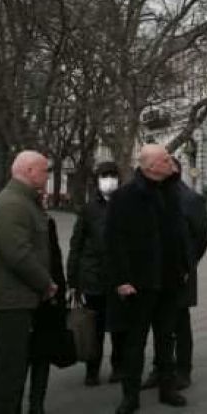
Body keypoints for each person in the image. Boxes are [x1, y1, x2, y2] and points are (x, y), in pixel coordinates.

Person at [105, 145, 192, 414]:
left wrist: (184, 266)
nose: (171, 163)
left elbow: (181, 233)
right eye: (166, 160)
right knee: (135, 342)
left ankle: (168, 388)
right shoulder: (125, 197)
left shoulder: (171, 193)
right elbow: (113, 241)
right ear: (150, 166)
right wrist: (121, 279)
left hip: (169, 280)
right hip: (139, 283)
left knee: (166, 339)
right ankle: (130, 396)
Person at [0, 151, 58, 414]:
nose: (47, 175)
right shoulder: (14, 204)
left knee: (13, 367)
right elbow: (17, 254)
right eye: (44, 170)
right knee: (9, 371)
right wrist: (45, 284)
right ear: (28, 171)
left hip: (21, 298)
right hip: (13, 301)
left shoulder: (24, 201)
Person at [140, 157, 207, 391]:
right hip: (154, 271)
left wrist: (188, 263)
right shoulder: (153, 196)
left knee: (180, 322)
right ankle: (160, 368)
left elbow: (203, 236)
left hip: (180, 272)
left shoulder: (190, 199)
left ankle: (182, 370)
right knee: (158, 323)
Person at [68, 160, 125, 385]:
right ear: (97, 180)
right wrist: (73, 280)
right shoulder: (89, 209)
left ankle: (118, 367)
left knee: (120, 327)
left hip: (120, 278)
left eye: (112, 175)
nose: (108, 180)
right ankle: (92, 370)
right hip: (94, 278)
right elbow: (77, 244)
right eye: (104, 176)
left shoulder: (126, 205)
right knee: (95, 328)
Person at [23, 209, 68, 414]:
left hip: (49, 298)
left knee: (42, 353)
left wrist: (60, 292)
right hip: (24, 297)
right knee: (22, 355)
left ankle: (37, 404)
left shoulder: (47, 222)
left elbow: (56, 259)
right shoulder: (17, 220)